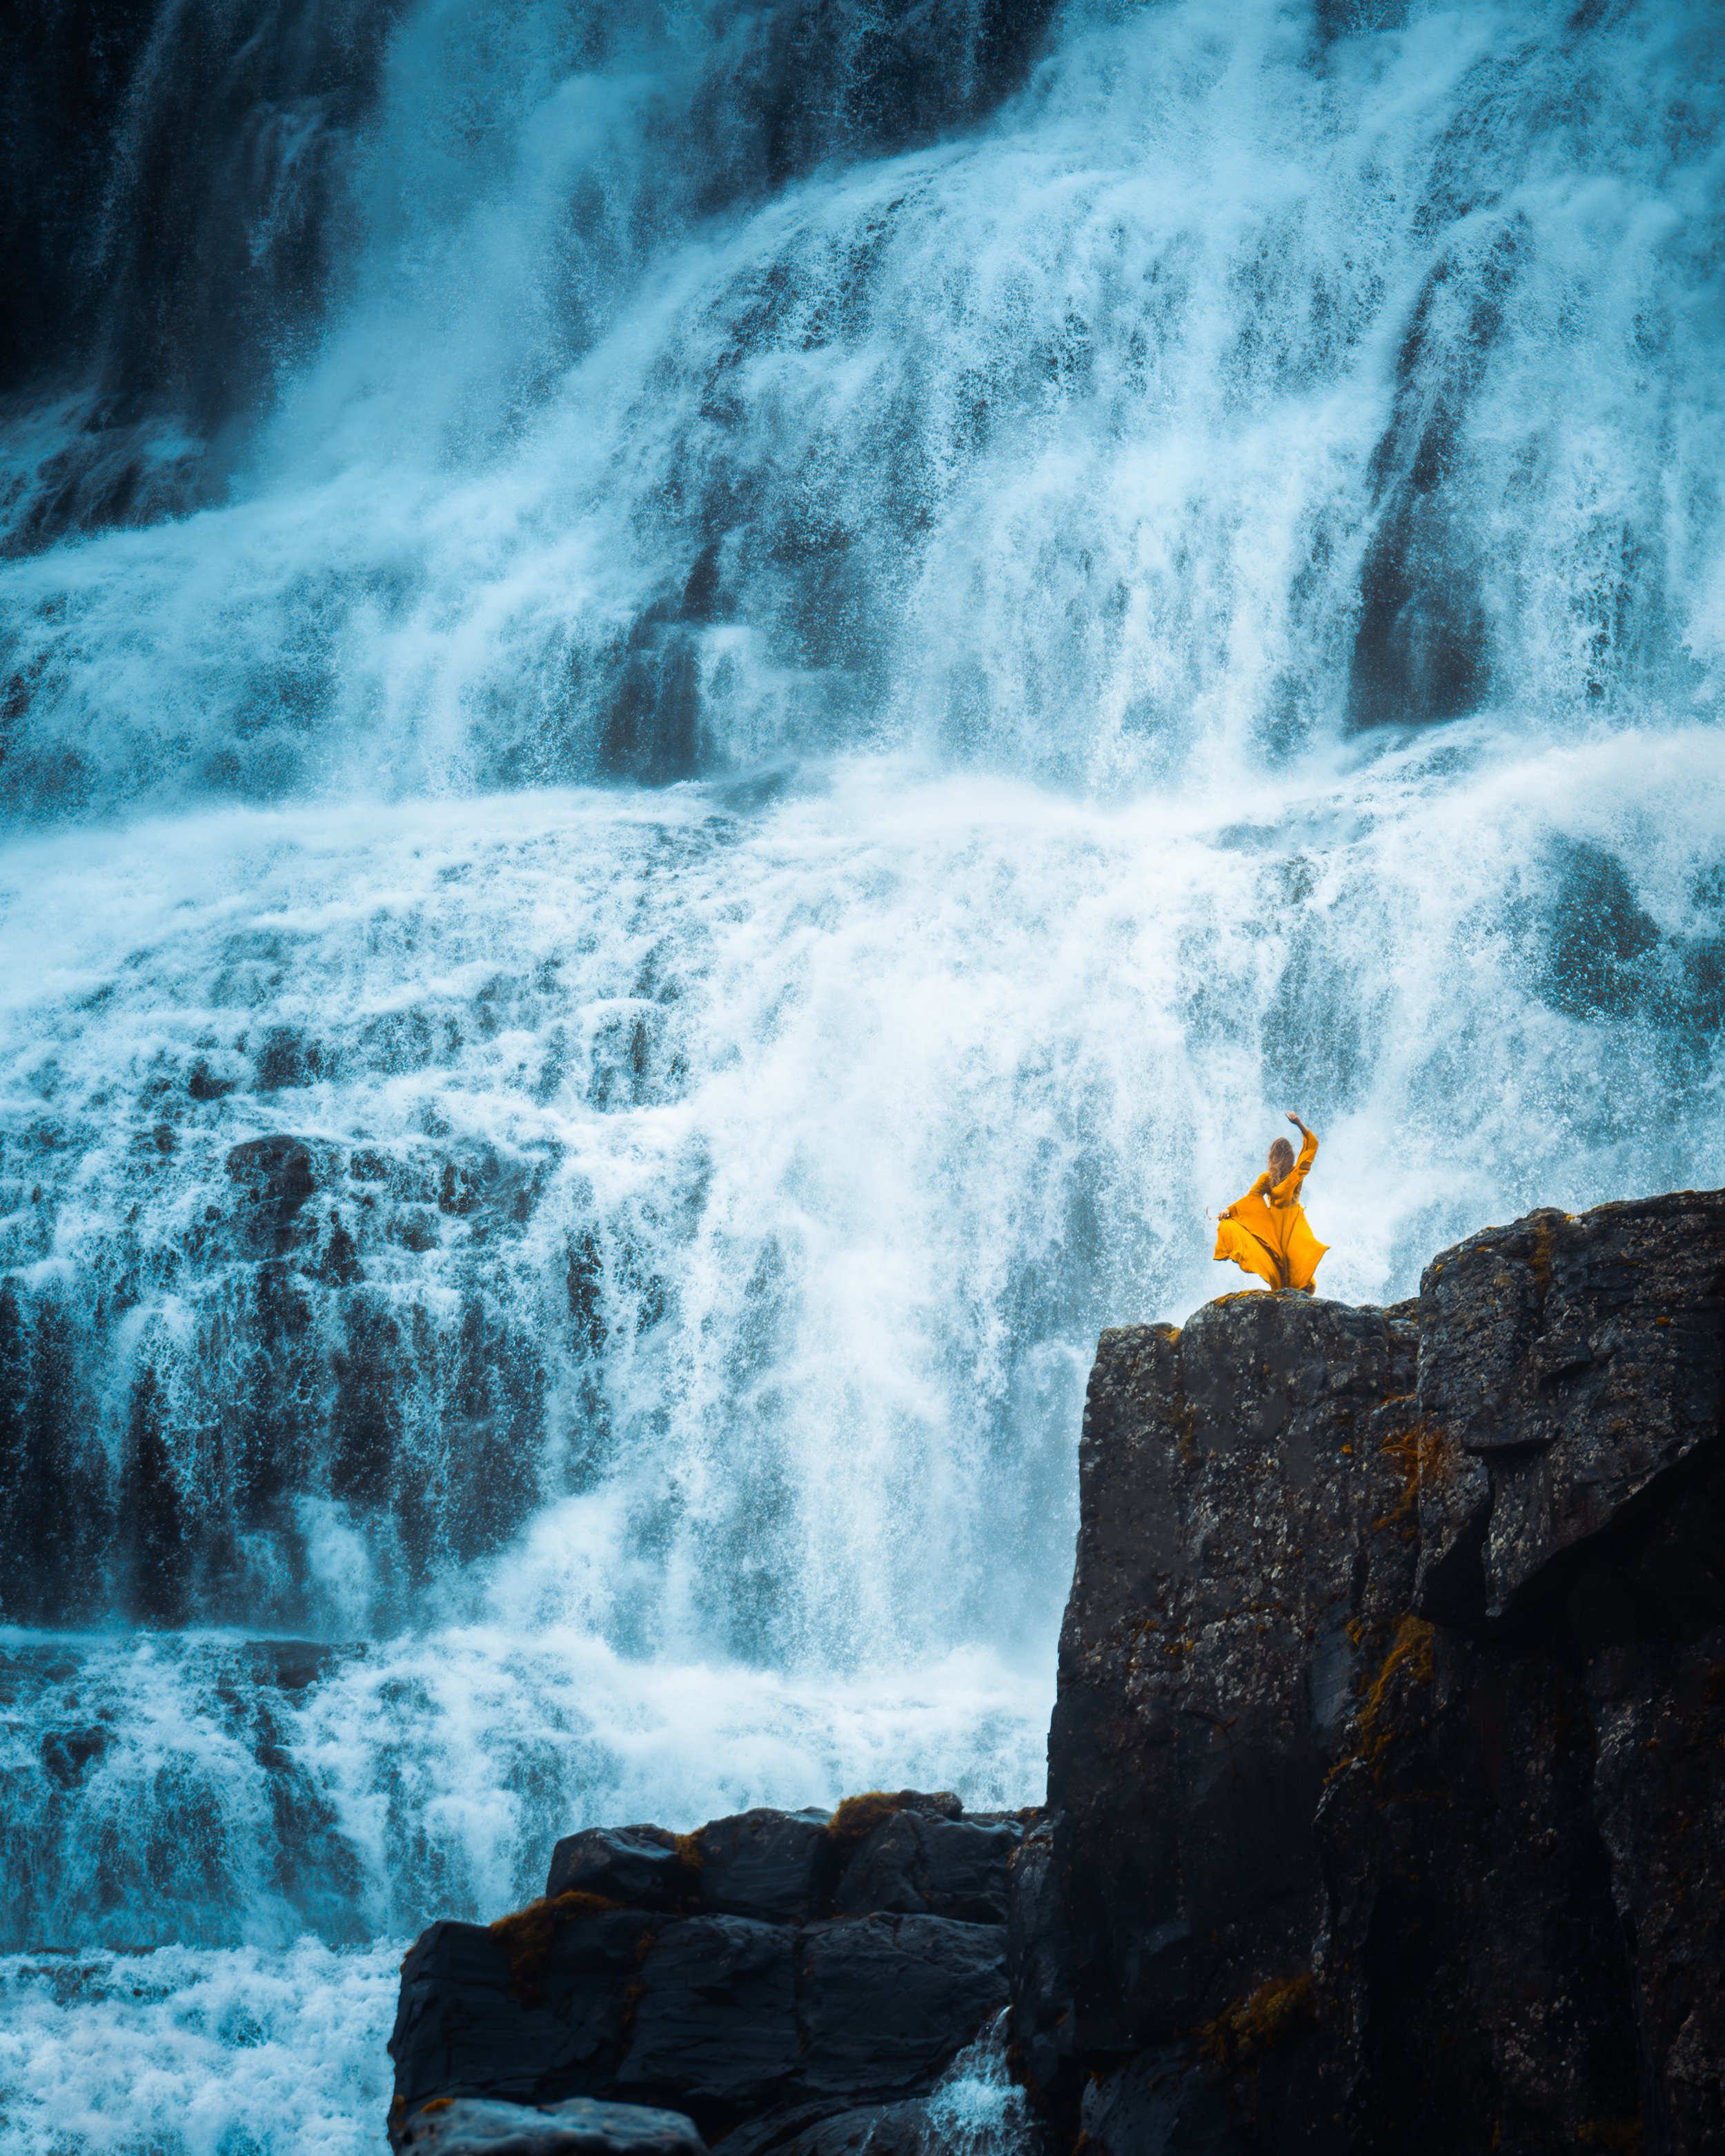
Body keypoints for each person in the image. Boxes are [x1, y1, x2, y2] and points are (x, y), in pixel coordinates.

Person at [1213, 1112, 1328, 1292]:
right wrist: (1230, 1210)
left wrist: (1229, 1210)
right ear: (1290, 1154)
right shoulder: (1276, 1176)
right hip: (1282, 1227)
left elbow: (1311, 1148)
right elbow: (1252, 1197)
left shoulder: (1294, 1173)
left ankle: (1294, 1302)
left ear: (1273, 1156)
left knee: (1297, 1273)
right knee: (1289, 1271)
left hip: (1289, 1227)